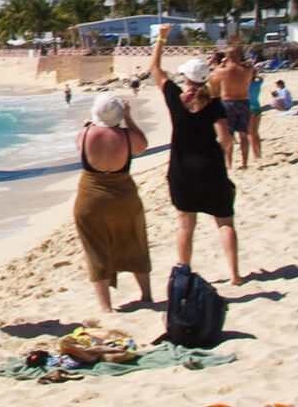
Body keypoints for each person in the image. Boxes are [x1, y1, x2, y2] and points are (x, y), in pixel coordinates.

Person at [150, 25, 243, 286]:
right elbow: (225, 139)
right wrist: (225, 157)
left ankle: (186, 271)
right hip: (211, 168)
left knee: (185, 226)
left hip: (182, 170)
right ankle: (235, 275)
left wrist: (161, 39)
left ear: (186, 79)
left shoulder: (175, 98)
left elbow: (155, 69)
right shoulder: (215, 105)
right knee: (225, 222)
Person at [73, 93, 153, 313]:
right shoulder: (128, 137)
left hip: (91, 197)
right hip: (124, 195)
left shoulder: (85, 133)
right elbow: (142, 146)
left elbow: (81, 147)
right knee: (135, 242)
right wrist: (129, 118)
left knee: (96, 250)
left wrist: (90, 125)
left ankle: (105, 306)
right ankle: (146, 294)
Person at [214, 47, 254, 169]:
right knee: (243, 135)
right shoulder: (247, 70)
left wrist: (221, 64)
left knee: (228, 135)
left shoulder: (223, 71)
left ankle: (229, 163)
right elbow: (250, 79)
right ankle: (244, 163)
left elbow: (214, 77)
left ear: (227, 57)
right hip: (243, 101)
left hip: (228, 102)